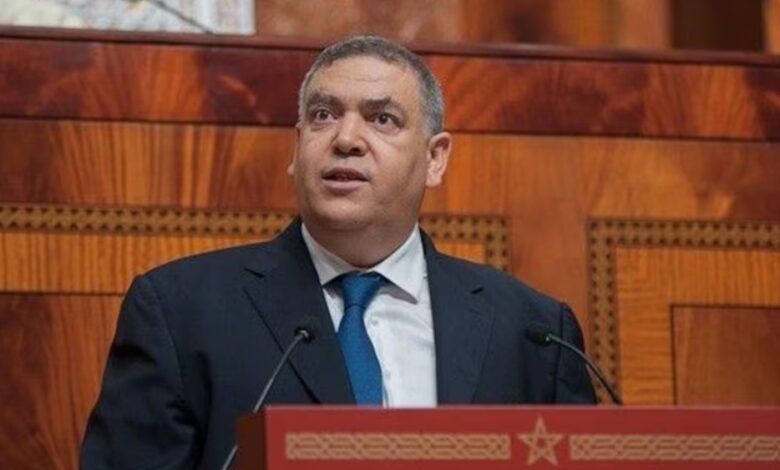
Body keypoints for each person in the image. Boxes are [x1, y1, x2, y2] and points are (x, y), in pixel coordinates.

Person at [81, 35, 595, 469]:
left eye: (383, 119)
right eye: (324, 116)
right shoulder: (181, 312)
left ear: (435, 159)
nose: (346, 139)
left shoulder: (534, 332)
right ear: (297, 146)